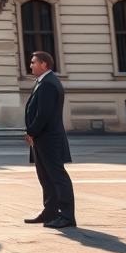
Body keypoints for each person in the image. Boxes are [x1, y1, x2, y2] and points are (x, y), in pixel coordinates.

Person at [24, 50, 76, 229]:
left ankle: (67, 216)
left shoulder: (48, 84)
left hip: (48, 139)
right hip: (43, 138)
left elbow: (43, 114)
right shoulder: (44, 82)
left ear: (44, 64)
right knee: (45, 176)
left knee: (57, 177)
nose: (30, 65)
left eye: (33, 62)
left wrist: (31, 131)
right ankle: (50, 212)